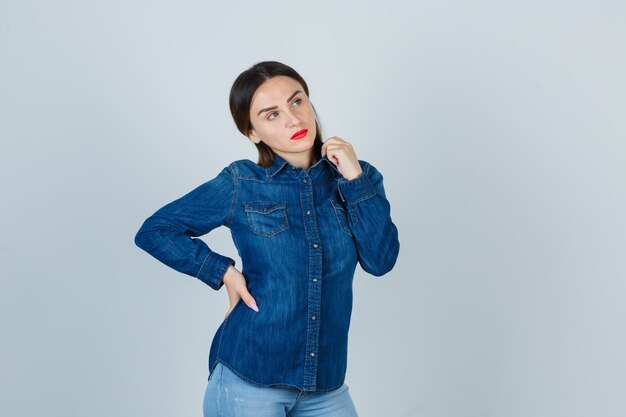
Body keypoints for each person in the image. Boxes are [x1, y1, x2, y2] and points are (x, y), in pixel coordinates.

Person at [134, 61, 400, 417]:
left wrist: (353, 177)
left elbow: (380, 261)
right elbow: (155, 230)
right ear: (253, 133)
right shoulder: (241, 183)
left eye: (297, 102)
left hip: (325, 386)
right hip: (249, 380)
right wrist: (223, 272)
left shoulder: (358, 180)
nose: (293, 119)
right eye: (271, 114)